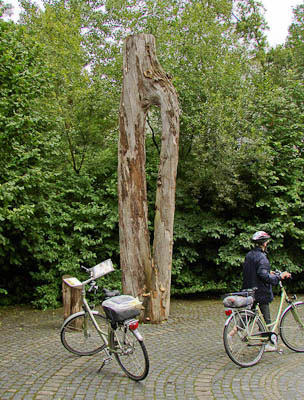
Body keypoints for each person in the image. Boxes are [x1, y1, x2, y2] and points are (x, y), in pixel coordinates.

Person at [228, 231, 291, 351]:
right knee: (266, 319)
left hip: (249, 290)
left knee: (250, 316)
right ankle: (268, 343)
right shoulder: (262, 257)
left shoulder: (250, 255)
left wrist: (269, 272)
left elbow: (255, 271)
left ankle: (230, 335)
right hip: (260, 292)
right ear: (264, 243)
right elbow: (263, 275)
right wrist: (279, 277)